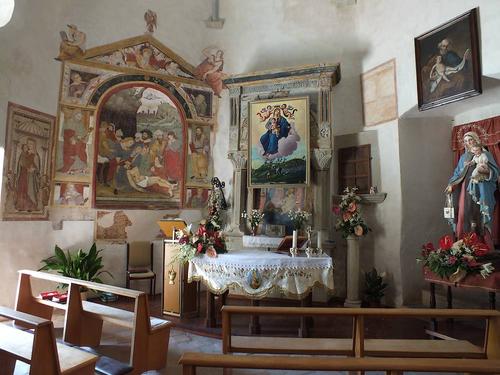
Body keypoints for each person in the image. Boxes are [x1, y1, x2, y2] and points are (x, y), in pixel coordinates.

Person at [446, 131, 499, 248]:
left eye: (470, 140)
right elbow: (457, 174)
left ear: (476, 140)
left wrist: (486, 172)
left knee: (480, 215)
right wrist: (451, 184)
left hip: (480, 190)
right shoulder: (463, 157)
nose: (468, 143)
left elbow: (495, 173)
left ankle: (483, 246)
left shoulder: (486, 154)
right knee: (463, 214)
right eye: (465, 141)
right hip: (464, 191)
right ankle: (464, 247)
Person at [15, 140, 41, 211]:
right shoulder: (24, 154)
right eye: (27, 144)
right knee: (23, 189)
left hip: (31, 177)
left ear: (34, 145)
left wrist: (34, 169)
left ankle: (31, 206)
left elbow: (37, 167)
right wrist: (26, 168)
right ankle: (21, 206)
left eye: (30, 144)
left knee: (30, 190)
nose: (28, 145)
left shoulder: (35, 155)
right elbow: (20, 164)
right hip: (24, 174)